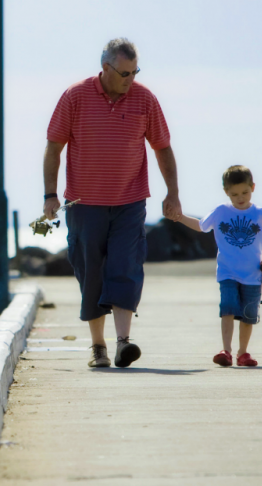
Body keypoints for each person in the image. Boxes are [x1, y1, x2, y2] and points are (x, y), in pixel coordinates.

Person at [43, 38, 180, 369]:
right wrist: (49, 194)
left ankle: (123, 343)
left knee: (126, 267)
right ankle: (98, 346)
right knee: (92, 273)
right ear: (105, 68)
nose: (130, 80)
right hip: (83, 203)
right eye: (124, 73)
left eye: (135, 72)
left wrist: (172, 192)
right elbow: (53, 148)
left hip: (130, 202)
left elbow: (162, 148)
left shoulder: (145, 99)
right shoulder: (74, 97)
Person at [171, 165, 262, 367]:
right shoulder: (221, 211)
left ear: (253, 187)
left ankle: (243, 353)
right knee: (227, 309)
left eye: (245, 192)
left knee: (248, 315)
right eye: (234, 194)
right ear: (226, 192)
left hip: (253, 274)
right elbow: (201, 226)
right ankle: (226, 351)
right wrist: (180, 217)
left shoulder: (261, 213)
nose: (240, 197)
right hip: (227, 272)